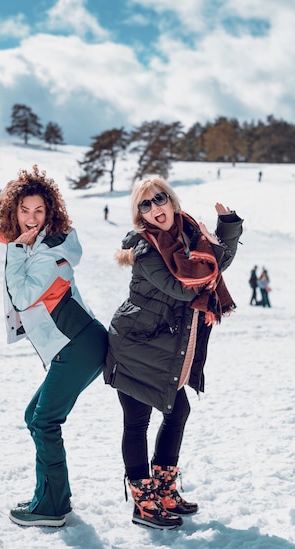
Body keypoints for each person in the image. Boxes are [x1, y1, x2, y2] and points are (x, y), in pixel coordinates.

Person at [0, 165, 108, 527]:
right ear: (15, 211)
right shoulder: (26, 238)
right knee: (36, 417)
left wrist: (16, 245)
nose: (31, 219)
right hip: (76, 344)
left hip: (78, 344)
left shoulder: (47, 248)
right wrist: (0, 198)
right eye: (24, 210)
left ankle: (50, 508)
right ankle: (53, 498)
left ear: (51, 213)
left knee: (44, 421)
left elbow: (23, 295)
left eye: (39, 211)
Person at [104, 176, 243, 529]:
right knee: (137, 422)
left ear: (172, 200)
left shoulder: (191, 235)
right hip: (135, 345)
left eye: (159, 199)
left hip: (162, 346)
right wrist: (216, 249)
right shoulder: (144, 248)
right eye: (144, 205)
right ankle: (143, 503)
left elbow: (213, 265)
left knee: (177, 410)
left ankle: (164, 490)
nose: (154, 209)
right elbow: (184, 287)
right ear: (140, 215)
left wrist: (227, 228)